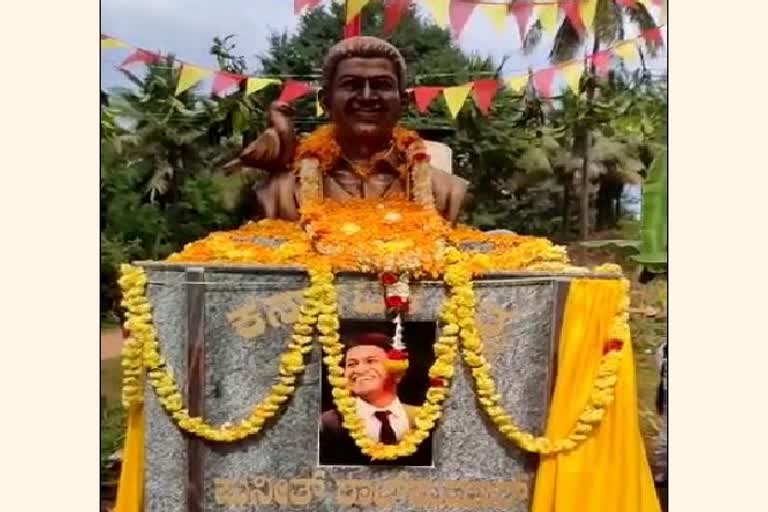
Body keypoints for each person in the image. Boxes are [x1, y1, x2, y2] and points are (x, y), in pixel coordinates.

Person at [224, 36, 468, 223]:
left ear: (402, 102)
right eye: (351, 84)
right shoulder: (281, 191)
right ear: (326, 101)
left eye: (381, 85)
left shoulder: (446, 192)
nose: (367, 96)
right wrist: (266, 171)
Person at [319, 332, 431, 466]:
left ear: (396, 369)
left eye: (371, 361)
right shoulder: (328, 423)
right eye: (352, 364)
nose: (359, 370)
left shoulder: (423, 418)